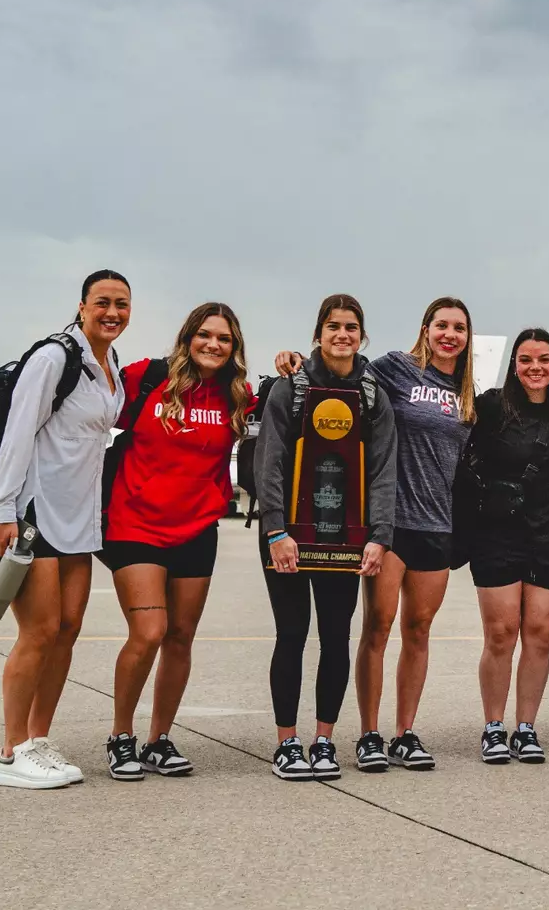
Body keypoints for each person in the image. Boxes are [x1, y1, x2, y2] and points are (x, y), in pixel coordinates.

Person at [0, 269, 130, 789]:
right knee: (39, 632)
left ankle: (37, 740)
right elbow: (18, 433)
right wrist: (1, 508)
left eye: (122, 304)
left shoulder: (108, 363)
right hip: (34, 512)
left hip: (80, 517)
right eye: (102, 303)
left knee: (68, 630)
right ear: (82, 305)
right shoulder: (54, 358)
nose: (112, 313)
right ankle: (10, 751)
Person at [98, 302, 254, 781]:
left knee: (181, 638)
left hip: (196, 529)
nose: (213, 344)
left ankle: (158, 740)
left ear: (234, 348)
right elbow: (90, 416)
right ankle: (120, 737)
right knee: (149, 634)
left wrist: (292, 361)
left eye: (223, 339)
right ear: (189, 337)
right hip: (135, 524)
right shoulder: (147, 377)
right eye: (205, 335)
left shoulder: (238, 395)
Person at [256, 295, 396, 782]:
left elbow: (382, 469)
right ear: (318, 333)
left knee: (336, 638)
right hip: (289, 535)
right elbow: (268, 461)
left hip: (347, 537)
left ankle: (324, 741)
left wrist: (380, 536)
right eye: (333, 326)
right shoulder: (289, 387)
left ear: (363, 336)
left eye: (352, 327)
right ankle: (286, 743)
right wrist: (276, 530)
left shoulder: (374, 394)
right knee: (291, 635)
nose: (343, 334)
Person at [351, 298, 476, 772]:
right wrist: (297, 363)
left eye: (459, 328)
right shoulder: (396, 369)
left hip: (436, 525)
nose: (450, 334)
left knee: (418, 631)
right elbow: (346, 376)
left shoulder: (466, 393)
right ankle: (369, 734)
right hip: (390, 523)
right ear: (425, 330)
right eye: (441, 325)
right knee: (378, 626)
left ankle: (405, 733)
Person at [465, 329, 549, 764]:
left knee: (540, 635)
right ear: (514, 365)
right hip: (497, 533)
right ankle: (494, 726)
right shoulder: (491, 407)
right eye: (526, 359)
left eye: (544, 359)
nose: (535, 368)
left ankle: (526, 728)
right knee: (501, 634)